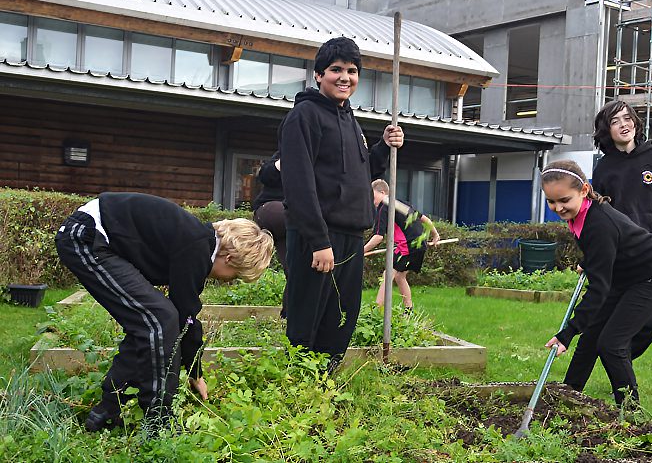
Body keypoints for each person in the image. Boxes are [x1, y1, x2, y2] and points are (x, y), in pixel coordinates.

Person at [55, 192, 274, 434]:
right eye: (235, 275)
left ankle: (107, 410)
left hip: (96, 239)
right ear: (230, 258)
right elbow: (185, 316)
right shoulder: (197, 247)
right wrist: (195, 372)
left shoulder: (198, 243)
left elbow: (184, 316)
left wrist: (193, 368)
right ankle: (159, 420)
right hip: (87, 238)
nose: (229, 282)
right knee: (161, 319)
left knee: (152, 322)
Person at [280, 37, 404, 368]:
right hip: (318, 237)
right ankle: (299, 386)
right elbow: (299, 185)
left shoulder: (349, 118)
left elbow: (360, 171)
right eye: (336, 70)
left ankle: (326, 382)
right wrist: (318, 241)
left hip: (351, 234)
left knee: (341, 316)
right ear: (319, 75)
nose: (344, 77)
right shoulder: (303, 117)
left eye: (352, 71)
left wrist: (384, 146)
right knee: (308, 314)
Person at [563, 100, 652, 393]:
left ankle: (617, 353)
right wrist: (591, 256)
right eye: (616, 121)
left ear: (636, 123)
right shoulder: (604, 169)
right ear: (607, 130)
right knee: (596, 325)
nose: (624, 124)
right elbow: (594, 217)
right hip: (617, 257)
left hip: (650, 258)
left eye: (628, 118)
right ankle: (573, 386)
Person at [541, 160, 652, 407]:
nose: (558, 207)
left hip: (650, 276)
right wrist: (591, 260)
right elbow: (607, 248)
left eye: (564, 200)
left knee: (611, 344)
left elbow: (599, 288)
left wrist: (567, 333)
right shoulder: (582, 212)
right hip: (623, 275)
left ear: (583, 190)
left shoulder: (599, 222)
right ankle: (568, 397)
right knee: (590, 338)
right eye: (551, 201)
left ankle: (630, 413)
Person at [363, 179, 440, 312]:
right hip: (419, 245)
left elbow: (378, 237)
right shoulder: (399, 203)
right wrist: (435, 234)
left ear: (382, 192)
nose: (371, 201)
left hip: (407, 245)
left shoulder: (384, 206)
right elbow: (423, 218)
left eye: (373, 196)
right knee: (400, 276)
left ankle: (376, 310)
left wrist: (362, 250)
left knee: (388, 274)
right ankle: (408, 310)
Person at [252, 151, 289, 318]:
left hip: (297, 218)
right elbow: (265, 174)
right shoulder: (287, 151)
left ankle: (289, 315)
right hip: (272, 209)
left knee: (296, 268)